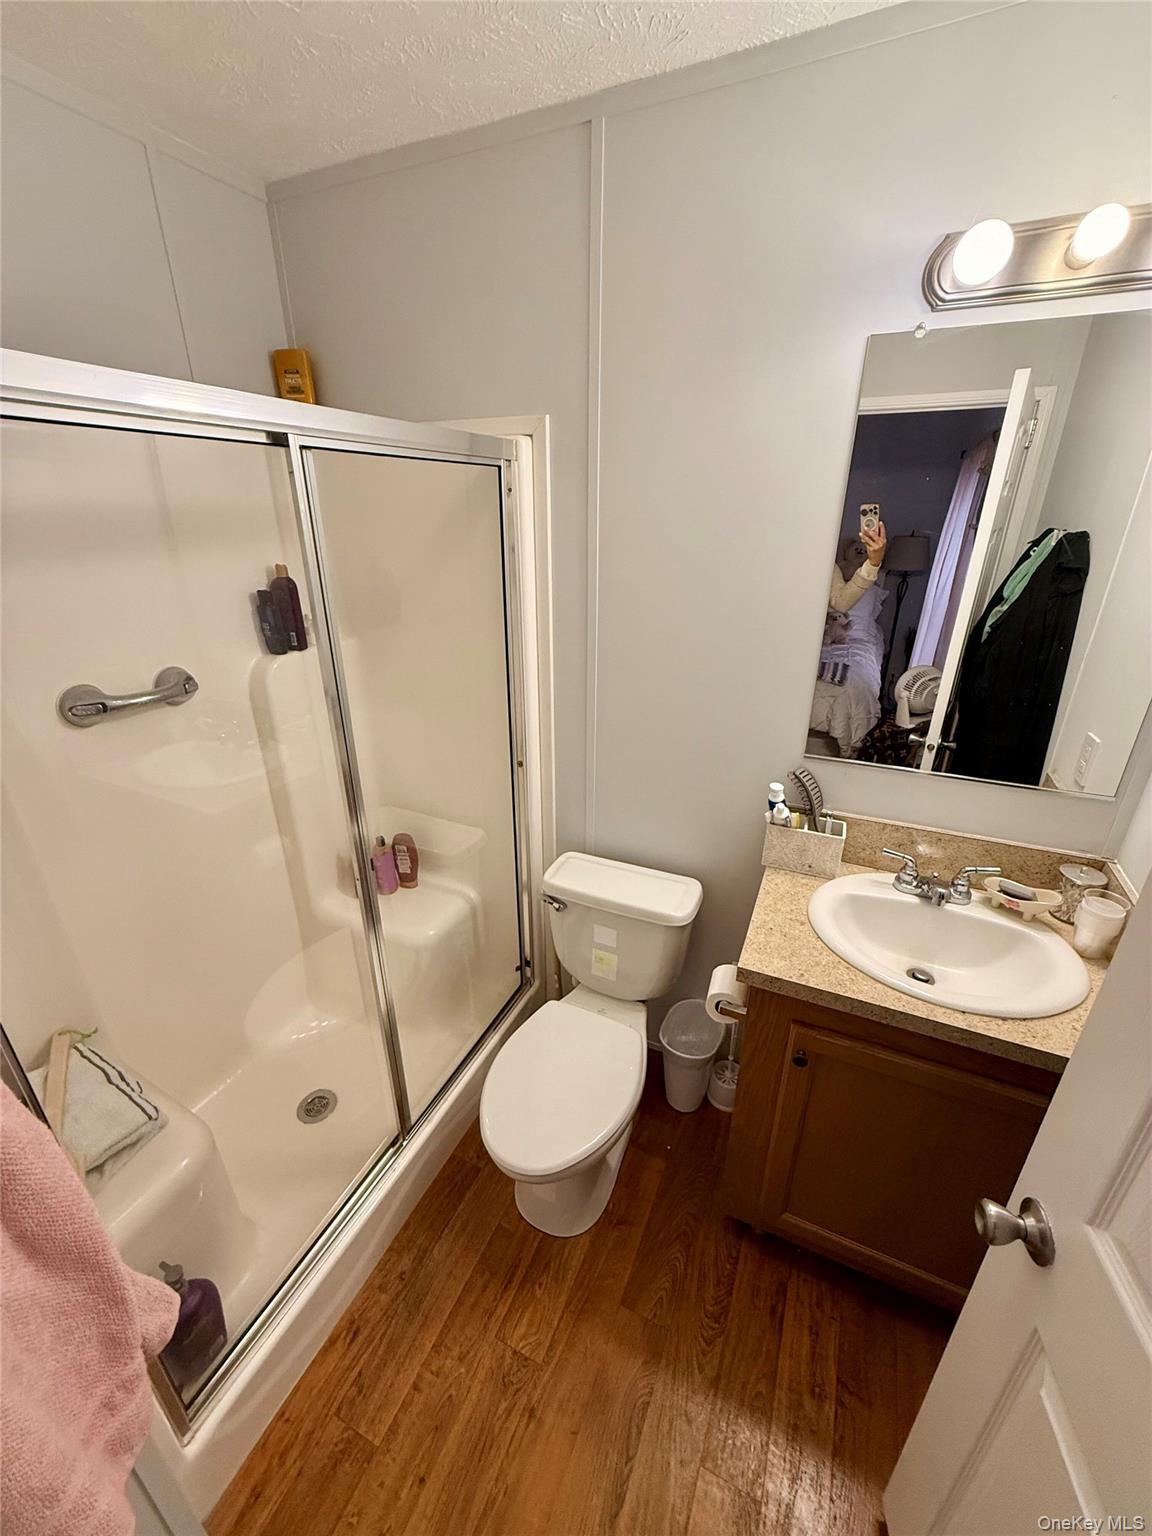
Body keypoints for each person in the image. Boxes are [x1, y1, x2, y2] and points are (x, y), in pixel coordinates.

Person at [828, 522, 887, 612]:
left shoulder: (829, 566)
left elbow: (840, 603)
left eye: (864, 551)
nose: (860, 551)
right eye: (857, 549)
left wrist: (873, 563)